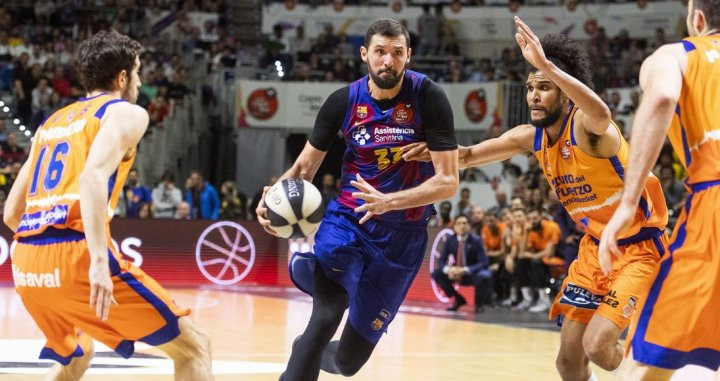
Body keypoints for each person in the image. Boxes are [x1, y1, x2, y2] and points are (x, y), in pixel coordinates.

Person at [403, 17, 668, 380]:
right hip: (595, 250)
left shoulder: (589, 129)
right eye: (530, 87)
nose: (534, 96)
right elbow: (466, 155)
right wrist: (433, 152)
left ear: (563, 89)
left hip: (639, 248)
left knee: (598, 347)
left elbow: (601, 113)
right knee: (567, 362)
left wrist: (546, 65)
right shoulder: (531, 137)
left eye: (544, 86)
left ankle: (660, 362)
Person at [256, 19, 459, 381]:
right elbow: (304, 166)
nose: (388, 61)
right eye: (380, 52)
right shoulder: (343, 101)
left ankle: (305, 348)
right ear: (365, 54)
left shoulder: (429, 97)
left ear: (408, 56)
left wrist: (390, 202)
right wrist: (273, 195)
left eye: (397, 53)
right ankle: (309, 344)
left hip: (403, 238)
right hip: (349, 222)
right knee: (326, 317)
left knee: (347, 363)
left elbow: (448, 182)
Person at [2, 30, 212, 380]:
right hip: (77, 254)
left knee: (76, 356)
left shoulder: (50, 124)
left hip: (24, 260)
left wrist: (44, 253)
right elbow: (91, 178)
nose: (140, 81)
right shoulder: (126, 114)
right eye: (138, 72)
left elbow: (11, 212)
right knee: (194, 347)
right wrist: (97, 261)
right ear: (122, 76)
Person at [600, 0, 720, 378]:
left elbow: (663, 96)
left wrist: (628, 201)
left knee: (648, 353)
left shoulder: (678, 54)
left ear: (697, 19)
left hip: (714, 198)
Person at [432, 214, 491, 313]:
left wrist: (464, 270)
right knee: (436, 274)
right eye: (459, 223)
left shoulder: (476, 240)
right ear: (455, 226)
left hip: (470, 273)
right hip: (455, 273)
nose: (462, 226)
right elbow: (441, 260)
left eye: (464, 223)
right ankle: (458, 299)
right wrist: (449, 270)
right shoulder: (451, 240)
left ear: (469, 226)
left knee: (484, 276)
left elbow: (483, 262)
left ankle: (479, 304)